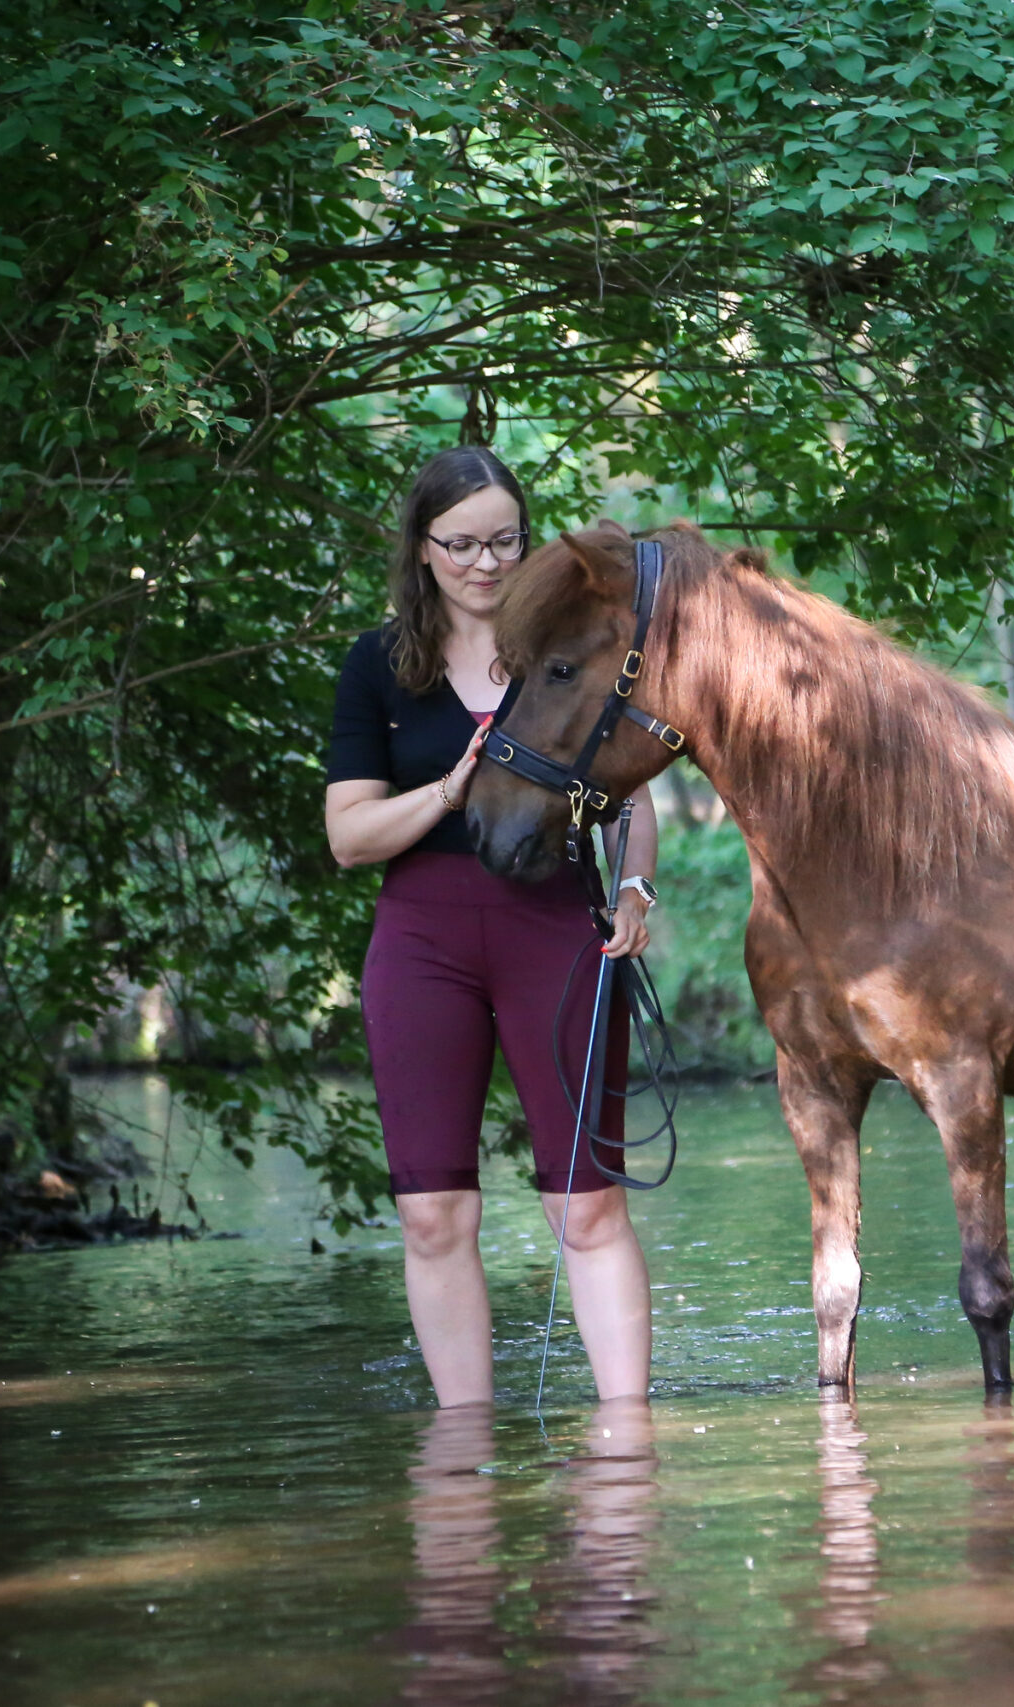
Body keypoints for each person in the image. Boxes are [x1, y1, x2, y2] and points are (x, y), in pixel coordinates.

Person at [325, 446, 659, 1406]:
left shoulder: (572, 645)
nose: (485, 562)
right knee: (433, 1213)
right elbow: (350, 837)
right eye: (462, 543)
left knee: (586, 1204)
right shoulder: (379, 666)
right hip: (422, 942)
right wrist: (448, 789)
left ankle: (625, 1443)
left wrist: (635, 894)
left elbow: (633, 793)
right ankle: (463, 1442)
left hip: (558, 928)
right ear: (422, 549)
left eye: (505, 540)